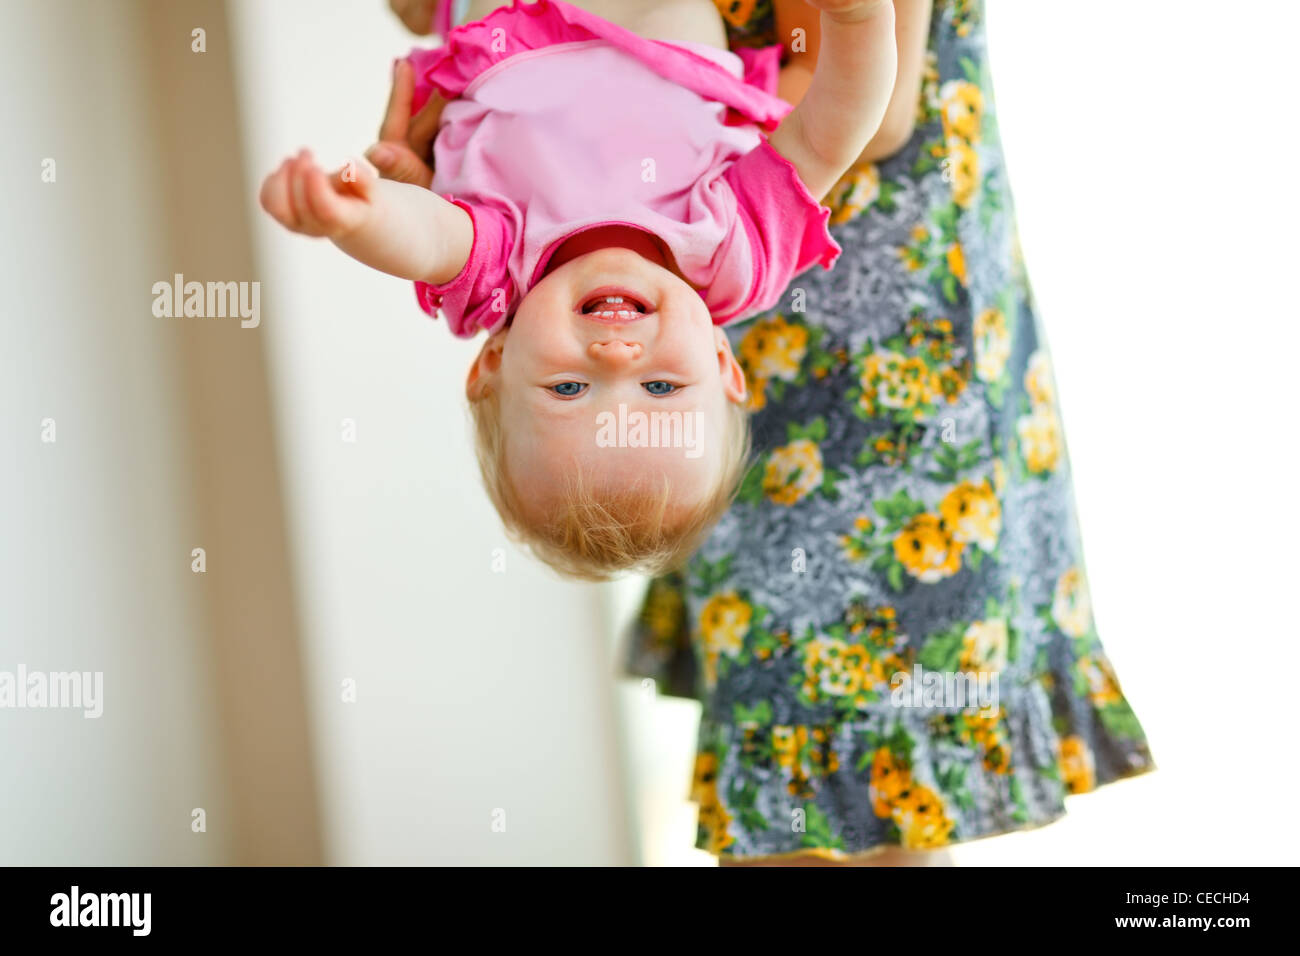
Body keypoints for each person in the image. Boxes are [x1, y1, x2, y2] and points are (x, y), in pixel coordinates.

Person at [259, 0, 899, 581]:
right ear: (722, 363)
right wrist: (857, 21)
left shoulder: (500, 274)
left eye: (568, 388)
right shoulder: (731, 256)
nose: (617, 356)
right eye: (661, 387)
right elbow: (827, 135)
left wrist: (357, 217)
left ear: (495, 361)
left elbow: (424, 236)